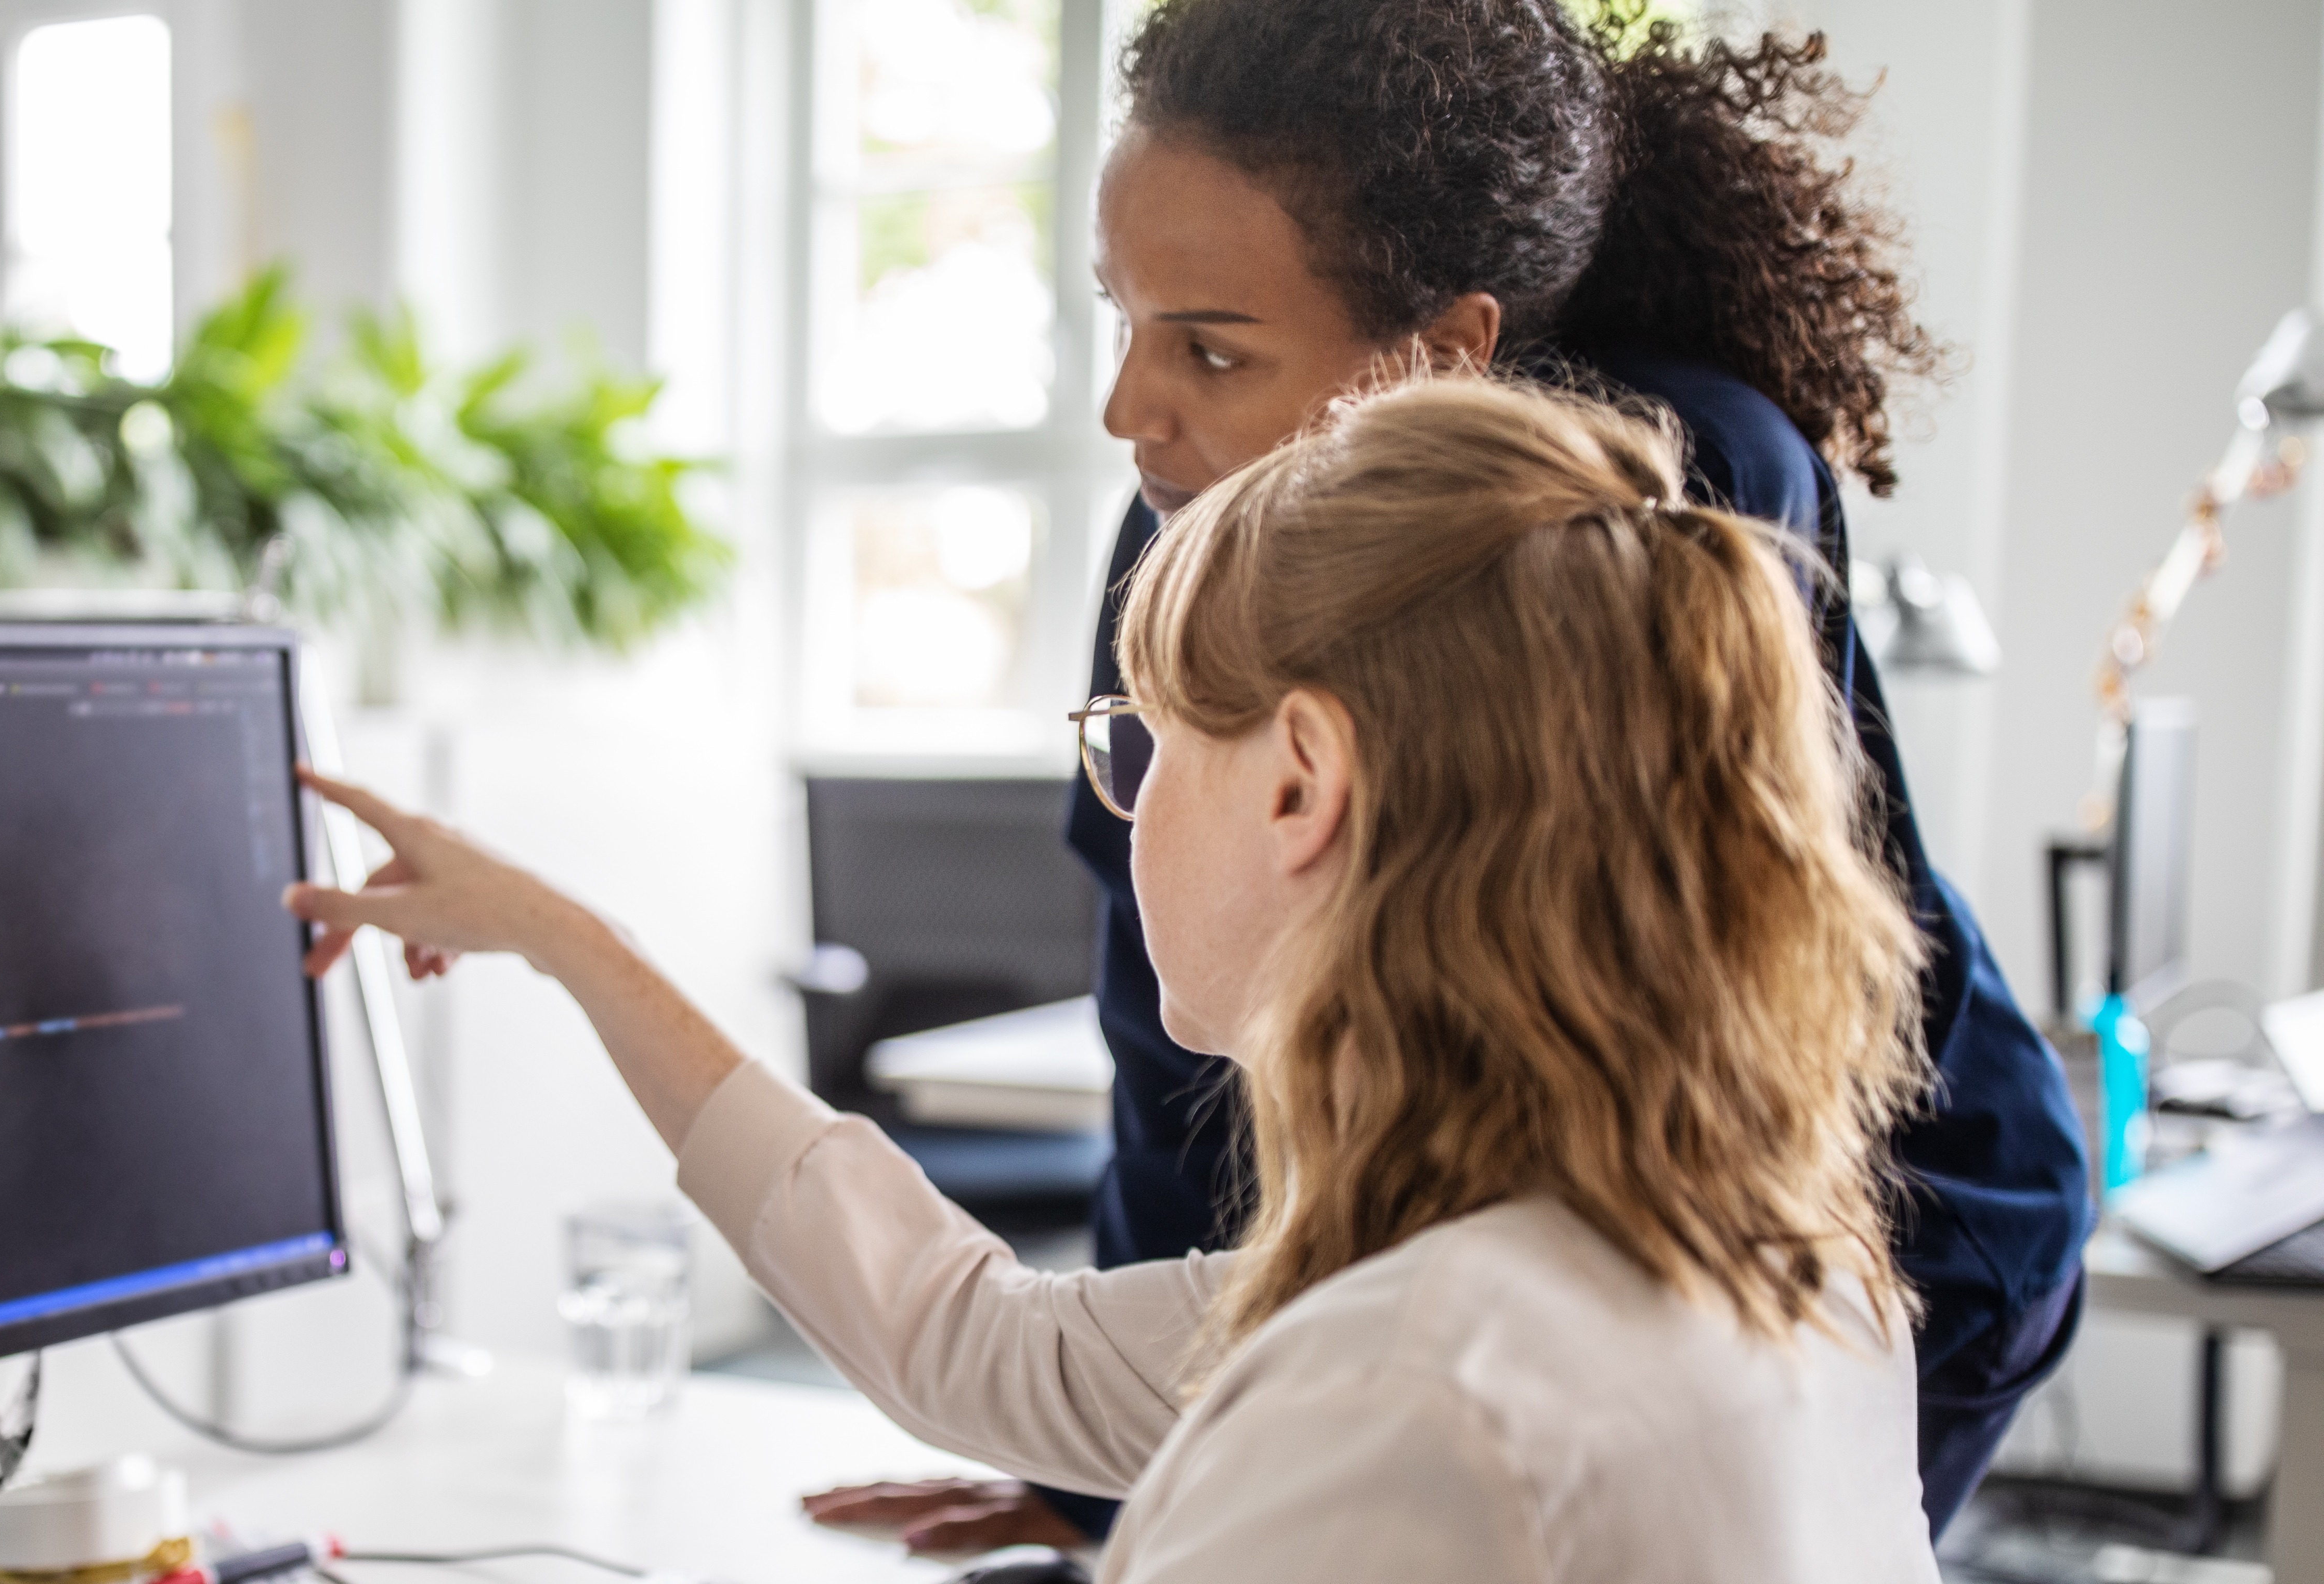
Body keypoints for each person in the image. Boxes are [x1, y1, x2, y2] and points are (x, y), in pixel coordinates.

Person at [807, 0, 2089, 1550]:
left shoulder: (1662, 495)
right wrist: (1114, 1477)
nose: (1130, 411)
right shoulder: (1183, 523)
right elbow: (1176, 1045)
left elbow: (1703, 1019)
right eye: (1121, 320)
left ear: (1447, 350)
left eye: (1211, 347)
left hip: (1894, 1227)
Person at [291, 377, 1942, 1580]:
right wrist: (588, 950)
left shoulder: (1410, 1394)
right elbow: (978, 1341)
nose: (1124, 806)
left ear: (1301, 782)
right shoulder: (1766, 1259)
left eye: (1146, 741)